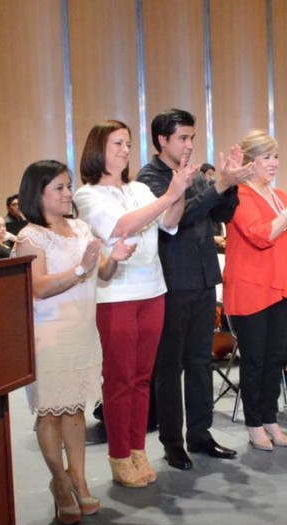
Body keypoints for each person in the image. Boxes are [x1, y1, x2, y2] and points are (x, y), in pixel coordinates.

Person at [73, 119, 195, 487]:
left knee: (143, 378)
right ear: (98, 149)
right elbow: (122, 226)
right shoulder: (87, 195)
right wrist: (169, 195)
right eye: (117, 144)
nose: (125, 151)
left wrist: (182, 188)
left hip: (153, 290)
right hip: (116, 297)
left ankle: (138, 449)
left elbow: (170, 223)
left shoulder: (140, 188)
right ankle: (119, 455)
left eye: (128, 144)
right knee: (120, 379)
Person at [12, 160, 134, 524]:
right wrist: (82, 267)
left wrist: (116, 260)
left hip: (83, 331)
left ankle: (79, 480)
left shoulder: (81, 227)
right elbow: (38, 287)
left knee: (75, 409)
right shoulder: (29, 237)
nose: (68, 194)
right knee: (51, 411)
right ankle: (61, 483)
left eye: (68, 186)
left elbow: (104, 273)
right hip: (49, 335)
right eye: (60, 188)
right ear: (39, 194)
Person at [135, 108, 251, 471]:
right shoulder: (148, 178)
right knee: (169, 367)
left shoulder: (195, 174)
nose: (189, 144)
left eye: (192, 138)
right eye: (182, 138)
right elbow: (177, 219)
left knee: (200, 362)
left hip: (202, 279)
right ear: (162, 141)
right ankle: (172, 442)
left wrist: (229, 183)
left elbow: (223, 215)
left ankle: (200, 434)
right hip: (170, 284)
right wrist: (216, 186)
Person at [224, 130, 287, 450]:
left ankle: (270, 418)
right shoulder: (239, 195)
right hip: (251, 287)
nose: (273, 163)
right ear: (249, 162)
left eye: (275, 156)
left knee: (275, 357)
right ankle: (253, 423)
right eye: (266, 157)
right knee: (255, 360)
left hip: (279, 285)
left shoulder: (281, 197)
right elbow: (260, 235)